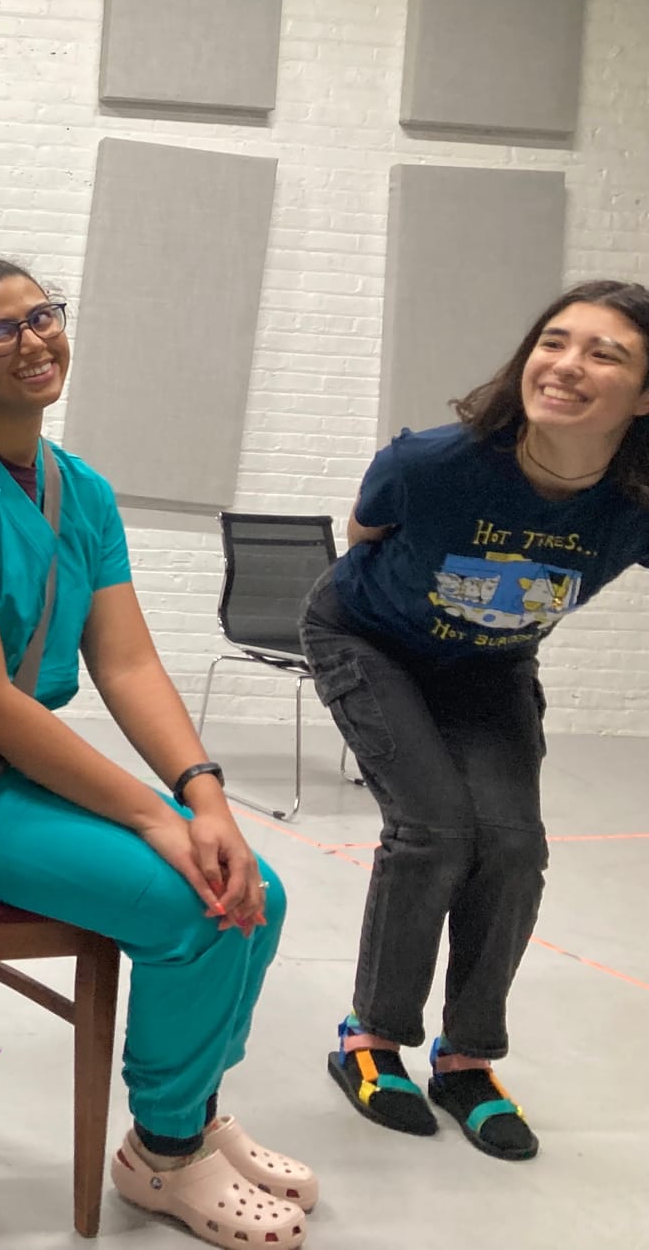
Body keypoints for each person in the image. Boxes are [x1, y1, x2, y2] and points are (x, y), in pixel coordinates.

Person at [0, 257, 312, 1250]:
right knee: (198, 905)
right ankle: (164, 1154)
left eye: (41, 316)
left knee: (249, 887)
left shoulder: (81, 491)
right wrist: (152, 816)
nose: (33, 340)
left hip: (11, 773)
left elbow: (128, 663)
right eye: (1, 330)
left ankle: (189, 1107)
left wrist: (202, 796)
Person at [302, 280, 649, 1164]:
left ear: (645, 396)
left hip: (489, 666)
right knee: (432, 832)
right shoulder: (432, 463)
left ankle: (466, 1061)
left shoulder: (635, 500)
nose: (567, 365)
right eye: (554, 341)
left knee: (514, 845)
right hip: (369, 640)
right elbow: (363, 536)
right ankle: (370, 1040)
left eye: (604, 353)